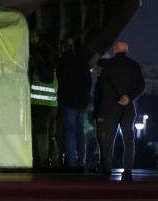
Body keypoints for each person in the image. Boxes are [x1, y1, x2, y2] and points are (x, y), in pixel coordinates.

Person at [94, 40, 144, 181]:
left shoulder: (108, 66)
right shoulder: (134, 66)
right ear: (126, 50)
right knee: (128, 139)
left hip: (109, 108)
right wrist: (129, 97)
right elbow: (141, 86)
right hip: (128, 108)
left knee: (108, 139)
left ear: (115, 49)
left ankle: (106, 168)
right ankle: (127, 170)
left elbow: (101, 87)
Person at [55, 38, 92, 172]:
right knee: (80, 130)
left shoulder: (63, 62)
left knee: (69, 131)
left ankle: (71, 163)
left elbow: (60, 80)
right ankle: (81, 161)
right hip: (82, 101)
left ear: (63, 49)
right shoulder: (83, 61)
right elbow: (89, 81)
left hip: (68, 101)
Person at [28, 29, 59, 170]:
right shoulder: (53, 68)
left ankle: (42, 160)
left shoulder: (35, 69)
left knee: (41, 134)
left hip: (39, 106)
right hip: (53, 105)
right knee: (53, 134)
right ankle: (56, 159)